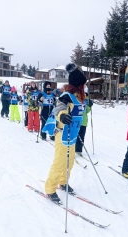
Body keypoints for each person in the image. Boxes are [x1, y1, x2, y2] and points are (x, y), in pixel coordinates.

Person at [45, 63, 87, 203]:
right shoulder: (66, 96)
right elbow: (58, 109)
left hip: (73, 134)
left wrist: (88, 106)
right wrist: (63, 115)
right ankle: (50, 189)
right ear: (78, 84)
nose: (85, 87)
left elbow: (80, 112)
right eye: (83, 84)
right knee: (60, 162)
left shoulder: (80, 97)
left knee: (69, 162)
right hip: (62, 133)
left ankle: (63, 182)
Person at [75, 87, 93, 156]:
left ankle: (79, 150)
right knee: (74, 136)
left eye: (85, 93)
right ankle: (71, 149)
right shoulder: (76, 97)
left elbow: (87, 110)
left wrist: (89, 106)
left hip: (84, 121)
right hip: (76, 120)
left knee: (81, 136)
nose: (84, 95)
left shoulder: (86, 99)